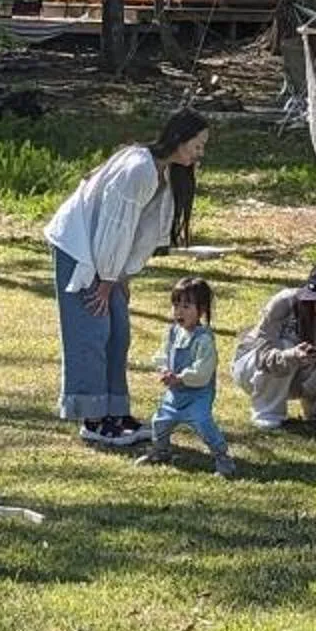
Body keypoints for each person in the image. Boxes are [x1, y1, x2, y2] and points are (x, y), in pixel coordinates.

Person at [44, 109, 211, 446]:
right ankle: (92, 419)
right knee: (93, 331)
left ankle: (116, 412)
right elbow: (113, 226)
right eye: (197, 145)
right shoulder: (138, 168)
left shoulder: (163, 174)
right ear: (179, 140)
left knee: (118, 331)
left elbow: (141, 235)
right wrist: (106, 279)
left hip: (108, 261)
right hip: (81, 248)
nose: (200, 154)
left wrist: (123, 276)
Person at [231, 263, 316, 437]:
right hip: (251, 368)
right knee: (286, 345)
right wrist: (291, 355)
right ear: (312, 296)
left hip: (297, 377)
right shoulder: (284, 303)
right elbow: (262, 354)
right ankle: (268, 412)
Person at [136, 276, 238, 477]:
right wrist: (164, 369)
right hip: (175, 394)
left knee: (203, 424)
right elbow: (163, 354)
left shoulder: (204, 340)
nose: (179, 312)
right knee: (160, 421)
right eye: (176, 305)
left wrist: (181, 377)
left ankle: (223, 458)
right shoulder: (174, 332)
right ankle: (161, 450)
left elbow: (203, 370)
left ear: (201, 310)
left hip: (197, 395)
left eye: (186, 306)